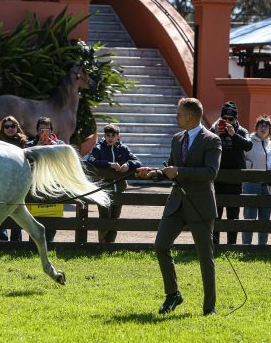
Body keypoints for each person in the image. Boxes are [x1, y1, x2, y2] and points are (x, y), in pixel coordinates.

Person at [137, 97, 221, 316]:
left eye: (179, 113)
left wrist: (180, 172)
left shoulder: (212, 140)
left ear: (191, 117)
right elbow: (169, 170)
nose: (176, 116)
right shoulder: (177, 139)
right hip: (176, 204)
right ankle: (173, 294)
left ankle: (209, 307)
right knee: (160, 245)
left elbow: (211, 173)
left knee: (205, 257)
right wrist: (152, 174)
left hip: (200, 205)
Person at [87, 123, 142, 243]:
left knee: (115, 218)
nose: (110, 137)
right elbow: (90, 160)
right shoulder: (98, 148)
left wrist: (128, 165)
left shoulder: (123, 148)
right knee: (105, 217)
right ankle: (102, 244)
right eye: (108, 135)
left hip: (120, 189)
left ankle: (111, 245)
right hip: (103, 190)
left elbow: (137, 161)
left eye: (113, 135)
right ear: (104, 136)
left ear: (118, 136)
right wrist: (108, 164)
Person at [210, 101, 252, 244]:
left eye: (231, 119)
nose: (227, 122)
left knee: (233, 215)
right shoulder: (214, 129)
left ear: (236, 119)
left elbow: (248, 146)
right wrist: (215, 134)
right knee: (215, 214)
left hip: (235, 179)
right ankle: (214, 245)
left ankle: (232, 245)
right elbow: (204, 145)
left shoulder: (241, 131)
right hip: (217, 178)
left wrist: (233, 135)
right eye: (224, 118)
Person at [25, 116, 65, 242]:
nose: (44, 132)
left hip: (53, 186)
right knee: (34, 218)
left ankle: (49, 244)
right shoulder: (30, 144)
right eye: (41, 130)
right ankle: (33, 245)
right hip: (34, 187)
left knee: (52, 219)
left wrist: (54, 148)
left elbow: (66, 160)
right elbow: (23, 160)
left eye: (47, 129)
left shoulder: (60, 144)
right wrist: (37, 147)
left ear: (51, 130)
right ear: (37, 131)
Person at [242, 115, 271, 245]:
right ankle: (246, 246)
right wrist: (250, 166)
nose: (264, 127)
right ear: (256, 128)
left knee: (265, 218)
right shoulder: (248, 142)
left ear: (270, 130)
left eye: (267, 126)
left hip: (267, 185)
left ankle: (262, 247)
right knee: (249, 216)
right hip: (251, 183)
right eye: (261, 125)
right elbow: (241, 159)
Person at [0, 116, 27, 241]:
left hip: (18, 183)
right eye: (6, 126)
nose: (9, 129)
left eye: (12, 126)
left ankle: (16, 242)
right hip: (0, 183)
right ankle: (1, 239)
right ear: (2, 129)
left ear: (17, 127)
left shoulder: (24, 143)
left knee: (17, 210)